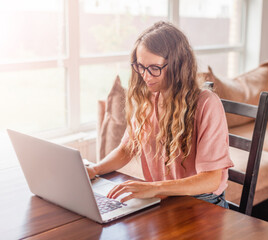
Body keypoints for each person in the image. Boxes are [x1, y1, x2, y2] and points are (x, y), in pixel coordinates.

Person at [87, 21, 233, 208]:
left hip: (202, 203)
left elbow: (210, 180)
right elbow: (127, 149)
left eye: (154, 68)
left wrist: (154, 187)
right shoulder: (148, 99)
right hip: (164, 197)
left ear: (177, 65)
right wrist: (94, 169)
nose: (146, 77)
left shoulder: (206, 104)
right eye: (140, 66)